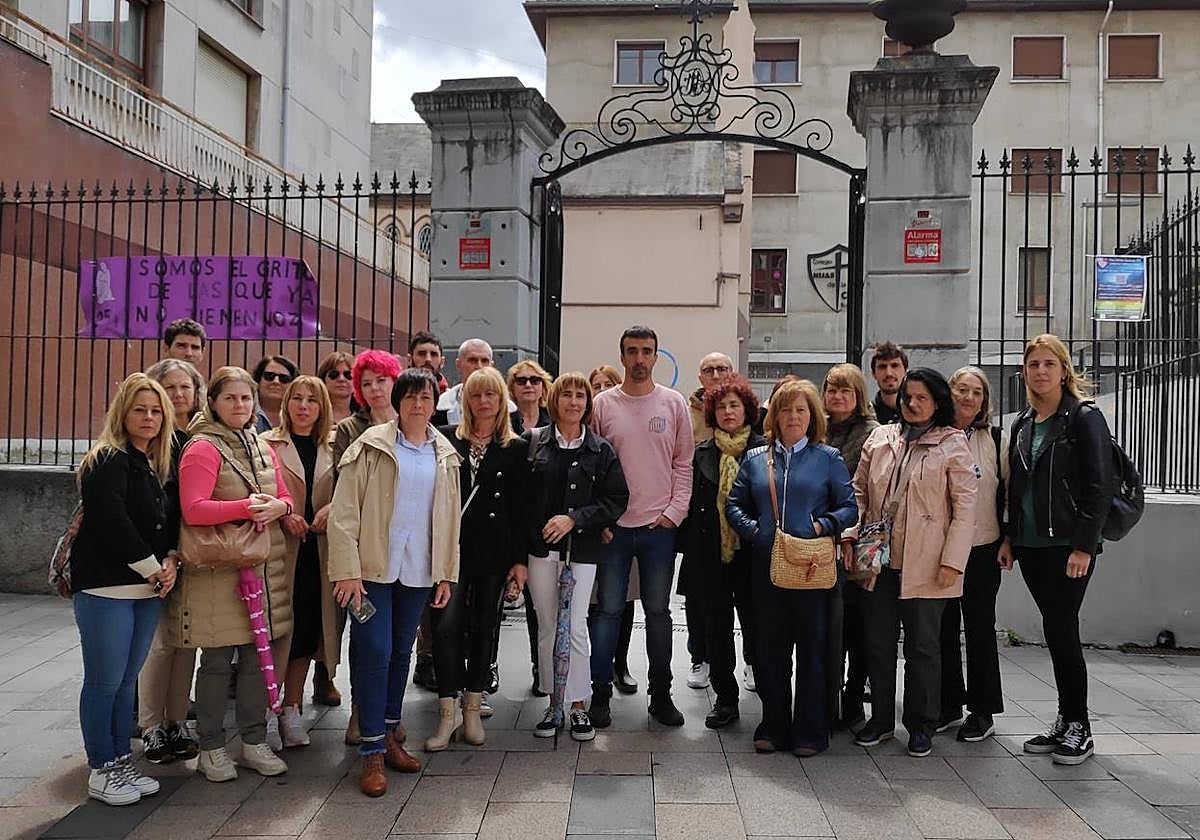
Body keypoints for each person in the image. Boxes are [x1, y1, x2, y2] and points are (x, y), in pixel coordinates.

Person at [328, 368, 462, 796]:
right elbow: (344, 512)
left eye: (426, 397)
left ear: (434, 402)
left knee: (401, 651)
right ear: (398, 401)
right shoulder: (369, 447)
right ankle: (370, 750)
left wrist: (445, 573)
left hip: (419, 569)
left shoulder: (445, 453)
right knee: (374, 650)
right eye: (410, 397)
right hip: (372, 570)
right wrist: (346, 570)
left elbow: (450, 520)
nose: (418, 405)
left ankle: (387, 734)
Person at [172, 366, 293, 782]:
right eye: (231, 399)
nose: (240, 406)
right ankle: (211, 746)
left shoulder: (260, 443)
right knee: (219, 662)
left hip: (259, 568)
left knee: (257, 660)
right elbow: (194, 508)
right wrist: (246, 508)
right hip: (217, 571)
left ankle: (254, 740)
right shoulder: (202, 447)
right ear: (213, 403)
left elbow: (282, 494)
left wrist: (282, 508)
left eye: (246, 398)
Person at [848, 368, 978, 759]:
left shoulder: (953, 444)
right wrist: (851, 533)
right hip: (879, 561)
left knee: (923, 648)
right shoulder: (881, 437)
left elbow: (965, 509)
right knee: (878, 644)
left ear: (938, 402)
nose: (912, 403)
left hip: (928, 563)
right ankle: (881, 720)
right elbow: (858, 491)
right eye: (908, 396)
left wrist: (953, 561)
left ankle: (921, 725)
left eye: (922, 397)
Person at [726, 379, 857, 755]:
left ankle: (811, 731)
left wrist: (819, 527)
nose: (793, 416)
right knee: (770, 650)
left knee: (813, 650)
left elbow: (848, 507)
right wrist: (757, 532)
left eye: (801, 409)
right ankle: (774, 725)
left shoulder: (828, 458)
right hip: (767, 566)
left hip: (812, 568)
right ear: (775, 416)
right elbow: (735, 505)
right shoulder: (755, 459)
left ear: (812, 415)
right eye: (786, 409)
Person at [1002, 334, 1113, 766]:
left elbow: (1099, 486)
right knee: (1054, 628)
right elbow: (1015, 486)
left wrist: (1084, 545)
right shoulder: (1023, 423)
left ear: (1064, 370)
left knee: (1063, 630)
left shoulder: (1083, 418)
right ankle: (1066, 720)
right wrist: (1010, 537)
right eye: (1033, 365)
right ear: (1024, 372)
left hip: (1068, 545)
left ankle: (1080, 727)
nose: (1041, 371)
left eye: (1050, 364)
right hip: (1031, 545)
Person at [71, 373, 179, 805]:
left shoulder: (153, 464)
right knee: (103, 681)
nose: (149, 417)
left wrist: (170, 560)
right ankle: (101, 767)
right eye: (140, 409)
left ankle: (119, 760)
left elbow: (164, 523)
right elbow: (113, 522)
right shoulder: (106, 459)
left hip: (146, 589)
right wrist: (155, 568)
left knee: (125, 682)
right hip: (107, 589)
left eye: (156, 411)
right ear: (123, 413)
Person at [589, 325, 694, 728]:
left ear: (656, 356)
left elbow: (683, 463)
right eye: (631, 351)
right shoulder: (602, 404)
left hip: (658, 529)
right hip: (613, 530)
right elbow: (593, 464)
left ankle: (661, 695)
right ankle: (600, 696)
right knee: (608, 612)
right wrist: (599, 519)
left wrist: (673, 513)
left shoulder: (673, 404)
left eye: (646, 351)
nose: (639, 358)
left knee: (658, 614)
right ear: (621, 355)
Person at [524, 372, 628, 740]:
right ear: (554, 400)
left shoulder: (601, 450)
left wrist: (575, 519)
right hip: (540, 552)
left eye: (580, 396)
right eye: (565, 394)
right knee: (548, 624)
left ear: (588, 403)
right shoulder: (533, 443)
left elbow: (616, 500)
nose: (573, 401)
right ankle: (554, 704)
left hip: (581, 552)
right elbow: (521, 501)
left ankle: (579, 705)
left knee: (577, 625)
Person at [430, 367, 528, 750]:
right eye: (476, 395)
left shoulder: (515, 447)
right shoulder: (446, 441)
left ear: (502, 401)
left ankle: (473, 709)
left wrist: (518, 561)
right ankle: (446, 713)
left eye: (491, 395)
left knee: (486, 626)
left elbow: (521, 509)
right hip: (451, 552)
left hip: (495, 550)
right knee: (445, 628)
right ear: (465, 401)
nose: (484, 402)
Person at [681, 376, 765, 730]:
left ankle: (770, 696)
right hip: (709, 556)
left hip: (752, 554)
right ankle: (726, 700)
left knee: (758, 628)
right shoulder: (701, 451)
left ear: (747, 409)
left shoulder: (764, 450)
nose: (728, 411)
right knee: (716, 631)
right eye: (722, 406)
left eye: (735, 404)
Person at [260, 376, 339, 749]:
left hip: (317, 550)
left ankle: (292, 708)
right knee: (277, 630)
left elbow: (351, 491)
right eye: (297, 398)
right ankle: (267, 709)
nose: (303, 406)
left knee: (307, 631)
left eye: (312, 399)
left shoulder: (334, 446)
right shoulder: (266, 444)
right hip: (279, 550)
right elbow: (256, 491)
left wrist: (331, 508)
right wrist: (281, 514)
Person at [330, 349, 402, 743]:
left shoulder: (412, 421)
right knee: (367, 638)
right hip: (363, 550)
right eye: (367, 383)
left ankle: (390, 712)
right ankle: (361, 710)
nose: (375, 390)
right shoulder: (349, 430)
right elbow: (346, 491)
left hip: (406, 550)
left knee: (398, 642)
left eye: (382, 381)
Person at [137, 359, 204, 764]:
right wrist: (163, 558)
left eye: (186, 387)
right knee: (159, 646)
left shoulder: (195, 439)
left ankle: (177, 721)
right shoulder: (147, 443)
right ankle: (150, 727)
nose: (179, 395)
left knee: (185, 644)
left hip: (189, 556)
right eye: (170, 388)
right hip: (155, 561)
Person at [940, 366, 1007, 743]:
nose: (968, 398)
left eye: (976, 392)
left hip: (982, 548)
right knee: (942, 628)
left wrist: (1008, 540)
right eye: (961, 389)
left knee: (979, 629)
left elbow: (1009, 492)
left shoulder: (995, 439)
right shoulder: (935, 435)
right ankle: (948, 704)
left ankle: (982, 710)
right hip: (941, 547)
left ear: (984, 401)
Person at [822, 363, 879, 731]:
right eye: (831, 389)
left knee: (858, 627)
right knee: (829, 629)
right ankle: (827, 699)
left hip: (859, 542)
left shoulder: (873, 434)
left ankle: (855, 698)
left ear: (858, 396)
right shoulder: (817, 429)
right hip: (821, 542)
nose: (837, 396)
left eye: (846, 390)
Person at [681, 351, 735, 692]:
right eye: (708, 369)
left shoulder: (751, 416)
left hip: (736, 527)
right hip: (698, 520)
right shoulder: (685, 414)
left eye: (721, 368)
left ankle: (747, 663)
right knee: (698, 598)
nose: (715, 373)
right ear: (700, 376)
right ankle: (699, 657)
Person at [589, 364, 639, 695]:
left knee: (626, 597)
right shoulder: (585, 431)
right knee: (596, 602)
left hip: (631, 519)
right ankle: (597, 668)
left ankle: (621, 664)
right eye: (597, 385)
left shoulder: (627, 416)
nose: (602, 389)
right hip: (595, 524)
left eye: (609, 384)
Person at [434, 338, 516, 426]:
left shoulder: (510, 409)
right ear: (458, 365)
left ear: (492, 366)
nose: (479, 366)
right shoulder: (440, 407)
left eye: (484, 361)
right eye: (472, 360)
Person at [253, 355, 298, 433]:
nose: (276, 381)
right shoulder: (245, 410)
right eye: (269, 376)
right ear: (258, 380)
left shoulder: (300, 413)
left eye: (284, 378)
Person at [869, 342, 908, 425]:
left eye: (895, 365)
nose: (889, 373)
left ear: (906, 371)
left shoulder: (918, 412)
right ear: (873, 374)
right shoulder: (867, 417)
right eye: (882, 367)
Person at [317, 351, 357, 426]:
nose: (341, 379)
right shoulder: (314, 414)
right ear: (323, 380)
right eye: (334, 374)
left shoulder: (366, 416)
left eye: (348, 374)